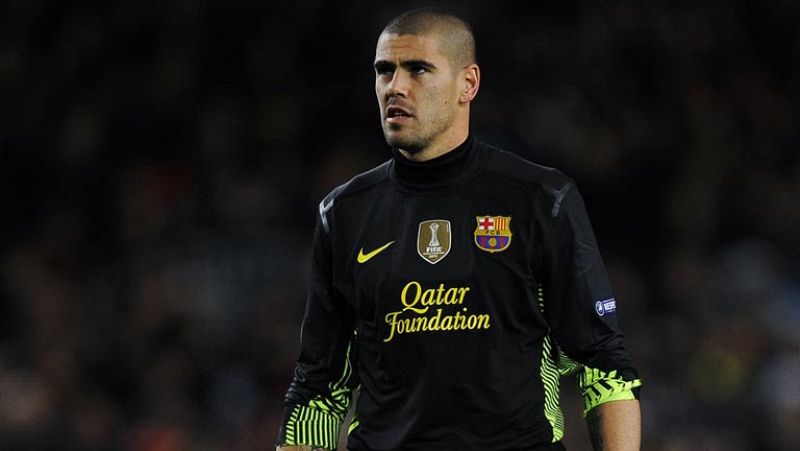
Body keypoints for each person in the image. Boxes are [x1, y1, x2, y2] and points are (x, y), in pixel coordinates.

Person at [276, 8, 641, 451]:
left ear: (468, 83)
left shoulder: (540, 199)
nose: (395, 86)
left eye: (418, 69)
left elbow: (603, 364)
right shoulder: (344, 214)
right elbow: (318, 387)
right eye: (384, 70)